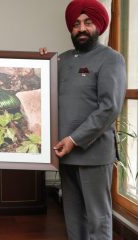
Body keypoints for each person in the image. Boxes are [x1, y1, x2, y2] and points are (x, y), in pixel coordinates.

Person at [41, 0, 126, 239]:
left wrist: (74, 139)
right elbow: (45, 94)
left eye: (87, 22)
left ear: (98, 25)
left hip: (94, 153)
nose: (81, 28)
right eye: (76, 24)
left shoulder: (111, 58)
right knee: (73, 215)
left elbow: (109, 108)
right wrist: (40, 62)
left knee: (98, 218)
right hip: (65, 154)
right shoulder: (62, 60)